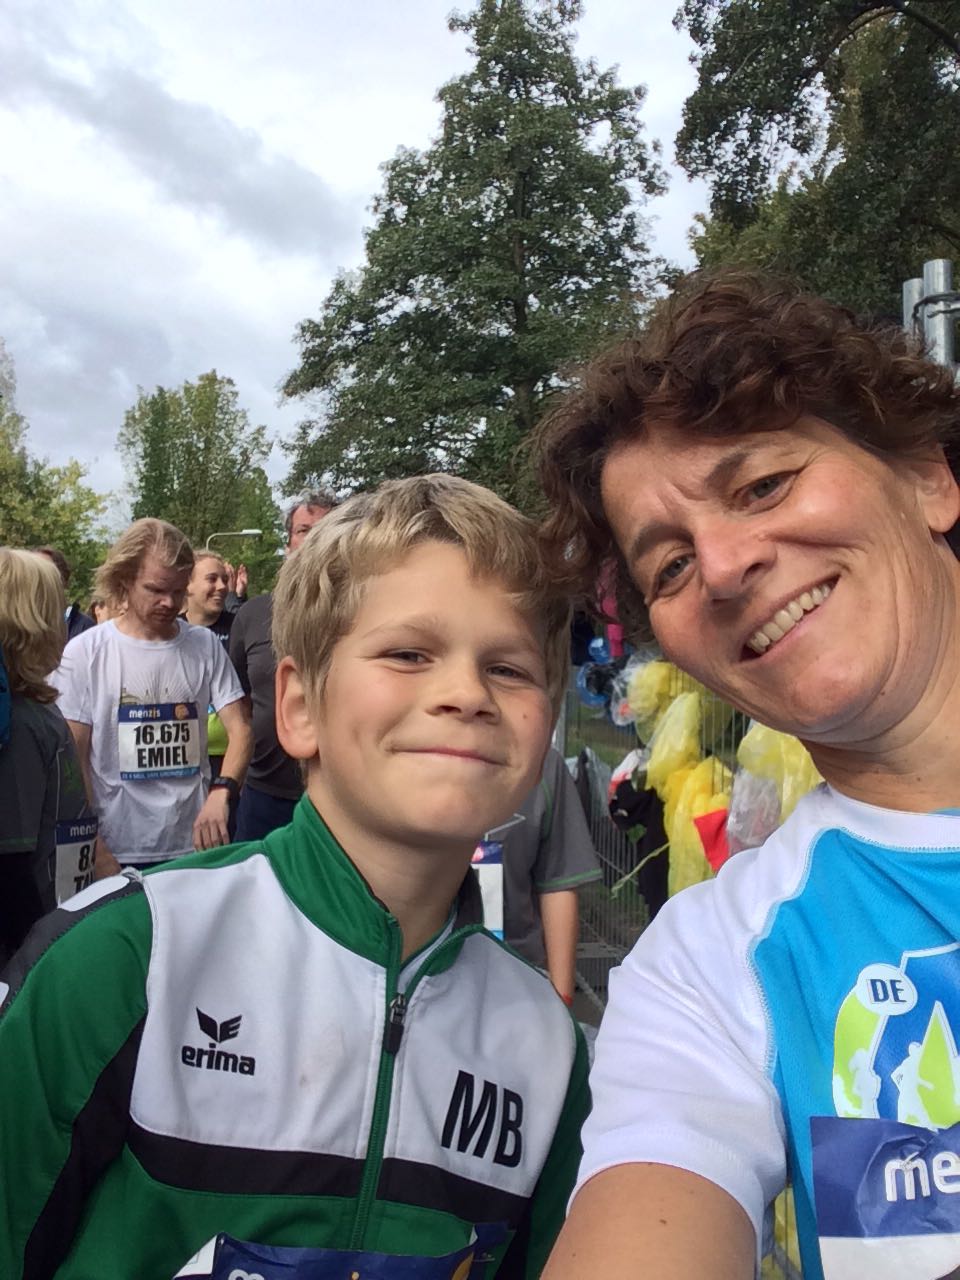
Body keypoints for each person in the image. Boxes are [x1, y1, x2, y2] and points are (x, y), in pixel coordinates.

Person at [0, 474, 590, 1279]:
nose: (466, 694)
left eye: (511, 668)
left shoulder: (548, 1050)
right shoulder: (126, 959)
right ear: (301, 706)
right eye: (408, 653)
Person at [532, 270, 960, 1280]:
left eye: (764, 485)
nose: (723, 566)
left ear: (926, 476)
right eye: (670, 566)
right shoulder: (706, 969)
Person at [51, 518, 252, 873]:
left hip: (192, 845)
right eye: (155, 589)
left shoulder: (204, 645)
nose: (169, 602)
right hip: (116, 846)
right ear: (125, 580)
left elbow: (242, 728)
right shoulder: (86, 652)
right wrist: (93, 844)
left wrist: (222, 791)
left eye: (178, 591)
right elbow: (73, 757)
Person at [0, 549, 94, 962]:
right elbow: (11, 865)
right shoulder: (19, 723)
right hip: (33, 943)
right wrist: (40, 958)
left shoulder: (35, 708)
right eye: (56, 609)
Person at [229, 489, 336, 840]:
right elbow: (238, 702)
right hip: (264, 795)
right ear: (288, 543)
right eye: (304, 530)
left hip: (341, 794)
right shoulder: (252, 614)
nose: (314, 538)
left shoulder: (362, 611)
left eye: (326, 529)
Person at [498, 747, 601, 1005]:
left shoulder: (542, 762)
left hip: (516, 981)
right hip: (418, 979)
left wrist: (561, 1003)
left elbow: (558, 882)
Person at [182, 551, 235, 781]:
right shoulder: (172, 631)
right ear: (188, 585)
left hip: (231, 755)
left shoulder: (239, 626)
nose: (222, 586)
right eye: (212, 579)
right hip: (184, 754)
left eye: (225, 579)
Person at [34, 545, 95, 641]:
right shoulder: (13, 625)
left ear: (64, 580)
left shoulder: (84, 628)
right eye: (32, 571)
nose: (37, 578)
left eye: (45, 572)